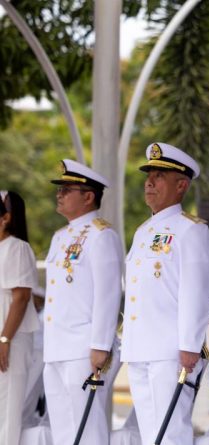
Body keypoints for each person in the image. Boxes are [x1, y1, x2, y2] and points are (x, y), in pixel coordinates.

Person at [121, 142, 209, 444]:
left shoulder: (191, 230)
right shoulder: (143, 231)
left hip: (170, 350)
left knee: (170, 432)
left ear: (181, 185)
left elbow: (197, 291)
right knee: (151, 433)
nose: (149, 182)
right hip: (139, 347)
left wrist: (189, 345)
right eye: (149, 176)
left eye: (159, 176)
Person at [42, 160, 122, 443]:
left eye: (67, 190)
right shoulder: (60, 237)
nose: (59, 194)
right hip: (56, 346)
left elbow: (108, 294)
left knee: (88, 426)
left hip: (83, 348)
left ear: (88, 197)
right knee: (63, 427)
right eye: (60, 189)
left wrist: (100, 345)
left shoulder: (101, 235)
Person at [0, 190, 39, 444]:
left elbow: (21, 297)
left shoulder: (17, 248)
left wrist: (5, 339)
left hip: (9, 340)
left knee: (6, 412)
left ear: (6, 218)